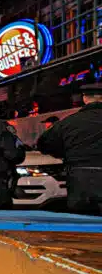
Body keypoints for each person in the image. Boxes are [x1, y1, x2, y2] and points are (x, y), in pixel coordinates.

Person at [37, 82, 102, 214]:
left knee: (83, 220)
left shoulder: (68, 122)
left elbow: (44, 144)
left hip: (80, 178)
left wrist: (65, 153)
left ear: (84, 98)